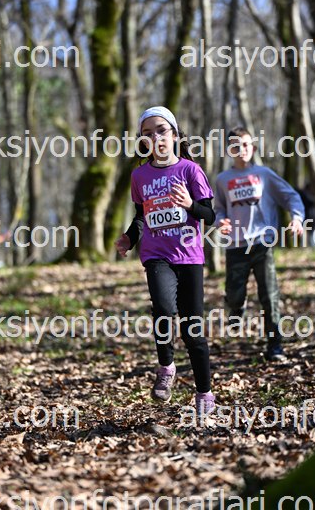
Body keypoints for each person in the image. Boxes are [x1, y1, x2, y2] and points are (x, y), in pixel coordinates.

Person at [115, 106, 216, 415]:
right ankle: (167, 366)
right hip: (156, 255)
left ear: (174, 135)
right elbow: (141, 216)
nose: (155, 137)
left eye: (161, 130)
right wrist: (129, 238)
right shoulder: (139, 175)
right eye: (147, 133)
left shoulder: (190, 170)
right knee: (162, 308)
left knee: (192, 331)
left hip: (189, 257)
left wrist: (189, 204)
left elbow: (209, 215)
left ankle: (204, 393)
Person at [214, 126, 305, 361]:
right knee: (234, 294)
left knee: (269, 295)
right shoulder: (223, 179)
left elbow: (291, 196)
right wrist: (220, 220)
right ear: (229, 150)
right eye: (235, 146)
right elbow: (219, 209)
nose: (241, 150)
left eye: (245, 145)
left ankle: (275, 346)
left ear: (253, 148)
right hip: (235, 245)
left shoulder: (264, 174)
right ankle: (237, 306)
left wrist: (297, 218)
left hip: (262, 242)